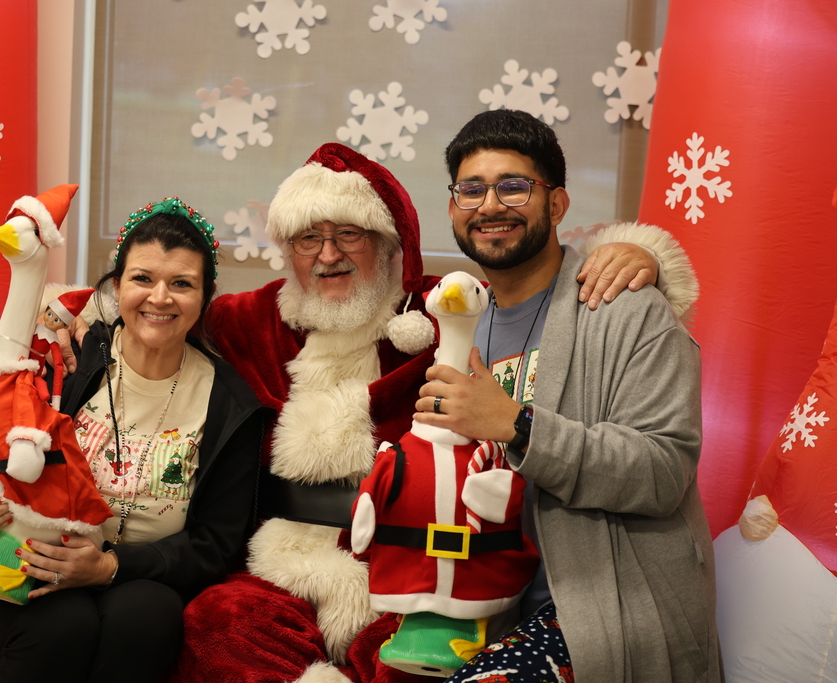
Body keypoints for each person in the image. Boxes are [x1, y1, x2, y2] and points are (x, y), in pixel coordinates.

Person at [164, 143, 700, 683]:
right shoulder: (246, 320)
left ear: (391, 244)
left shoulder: (440, 311)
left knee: (410, 663)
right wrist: (78, 313)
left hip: (418, 568)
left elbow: (541, 285)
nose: (328, 255)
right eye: (308, 238)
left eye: (349, 234)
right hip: (284, 560)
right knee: (218, 623)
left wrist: (642, 254)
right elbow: (155, 306)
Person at [415, 110, 719, 682]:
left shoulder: (627, 307)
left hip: (603, 602)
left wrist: (517, 426)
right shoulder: (461, 321)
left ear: (556, 204)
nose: (489, 206)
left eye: (514, 187)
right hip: (484, 604)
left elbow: (662, 471)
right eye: (471, 190)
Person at [0, 197, 268, 683]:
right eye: (142, 278)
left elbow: (215, 544)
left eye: (182, 284)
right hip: (23, 560)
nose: (160, 297)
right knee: (64, 622)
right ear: (115, 286)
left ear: (205, 297)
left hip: (141, 576)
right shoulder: (63, 364)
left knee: (147, 614)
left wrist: (110, 565)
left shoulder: (232, 407)